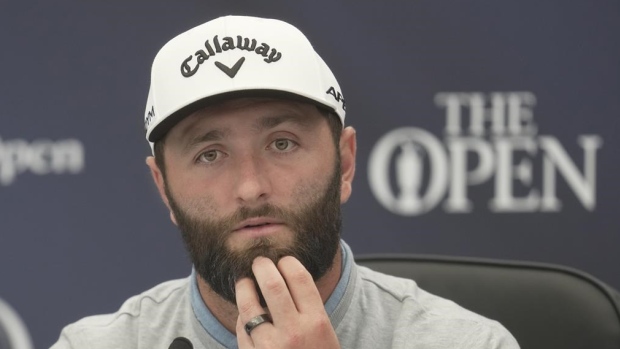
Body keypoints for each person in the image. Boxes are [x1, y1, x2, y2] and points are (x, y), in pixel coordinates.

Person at [51, 15, 520, 349]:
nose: (251, 187)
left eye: (282, 143)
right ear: (164, 187)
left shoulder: (469, 343)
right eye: (209, 154)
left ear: (346, 163)